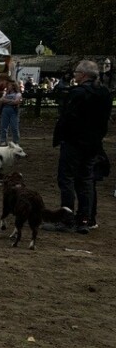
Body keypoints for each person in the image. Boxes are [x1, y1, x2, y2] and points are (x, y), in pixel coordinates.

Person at [53, 59, 111, 234]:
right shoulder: (104, 94)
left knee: (67, 179)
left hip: (73, 143)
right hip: (93, 144)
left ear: (84, 75)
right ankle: (84, 218)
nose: (75, 75)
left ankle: (66, 218)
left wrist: (62, 136)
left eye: (77, 72)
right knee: (85, 180)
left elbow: (67, 118)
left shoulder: (77, 93)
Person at [0, 75, 22, 145]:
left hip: (14, 111)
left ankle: (16, 141)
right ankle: (3, 140)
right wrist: (11, 101)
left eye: (9, 85)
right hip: (5, 110)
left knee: (14, 127)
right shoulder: (5, 93)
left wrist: (6, 101)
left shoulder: (18, 94)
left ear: (13, 86)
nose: (7, 86)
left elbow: (16, 102)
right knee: (3, 126)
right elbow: (1, 100)